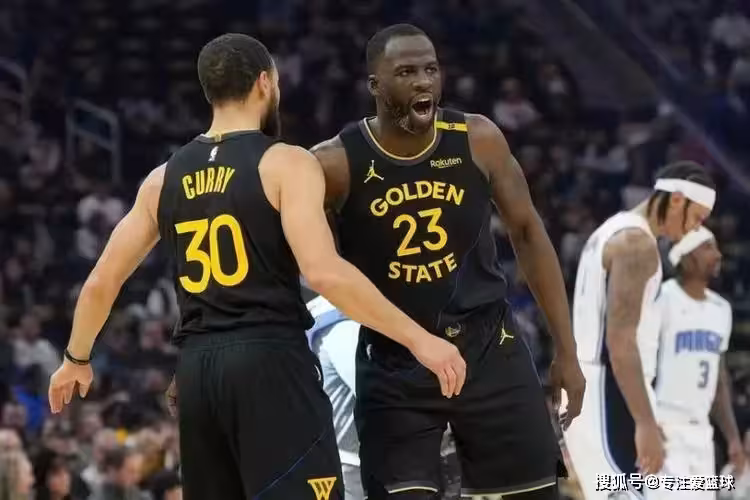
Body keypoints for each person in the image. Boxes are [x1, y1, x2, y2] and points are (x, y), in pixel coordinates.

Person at [46, 33, 467, 500]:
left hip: (197, 370)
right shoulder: (285, 163)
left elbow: (103, 280)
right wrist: (419, 339)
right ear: (265, 83)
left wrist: (75, 359)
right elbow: (324, 273)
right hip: (269, 361)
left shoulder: (162, 179)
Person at [312, 23, 586, 500]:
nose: (423, 81)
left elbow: (527, 232)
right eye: (406, 72)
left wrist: (566, 349)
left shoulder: (478, 138)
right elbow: (305, 264)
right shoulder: (333, 164)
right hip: (395, 358)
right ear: (375, 85)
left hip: (490, 346)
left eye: (431, 69)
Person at [564, 161, 717, 499]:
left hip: (598, 386)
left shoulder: (613, 229)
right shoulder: (637, 245)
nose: (696, 229)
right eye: (697, 217)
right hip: (605, 390)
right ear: (676, 199)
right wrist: (644, 422)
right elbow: (621, 344)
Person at [305, 295, 463, 500]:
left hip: (376, 454)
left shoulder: (348, 310)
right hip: (353, 467)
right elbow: (387, 398)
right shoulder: (343, 326)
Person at [649, 227, 745, 500]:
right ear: (687, 257)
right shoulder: (663, 298)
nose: (718, 255)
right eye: (708, 247)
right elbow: (640, 363)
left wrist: (733, 438)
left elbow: (719, 380)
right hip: (665, 426)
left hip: (702, 431)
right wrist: (646, 421)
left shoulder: (721, 309)